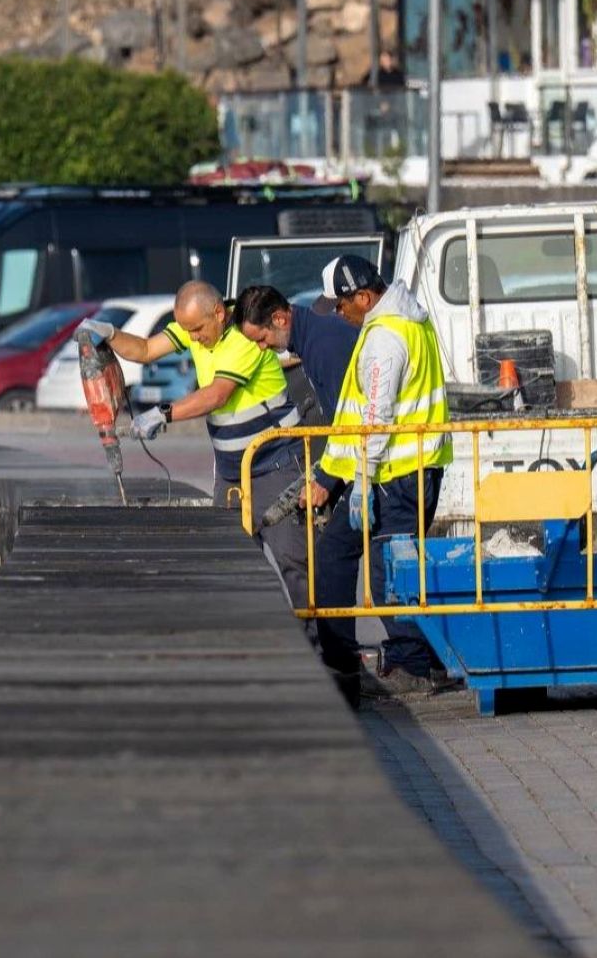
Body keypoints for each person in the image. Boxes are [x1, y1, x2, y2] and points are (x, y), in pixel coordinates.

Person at [304, 255, 455, 695]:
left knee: (384, 574)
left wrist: (363, 482)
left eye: (340, 305)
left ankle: (405, 665)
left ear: (364, 297)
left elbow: (376, 415)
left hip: (395, 477)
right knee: (375, 568)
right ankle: (408, 661)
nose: (338, 313)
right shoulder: (412, 322)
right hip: (412, 472)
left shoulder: (385, 338)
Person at [236, 283, 367, 685]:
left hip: (374, 466)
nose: (262, 349)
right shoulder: (312, 340)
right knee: (340, 559)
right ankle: (348, 659)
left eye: (261, 339)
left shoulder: (324, 345)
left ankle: (345, 664)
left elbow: (347, 420)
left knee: (334, 560)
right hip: (359, 463)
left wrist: (326, 479)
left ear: (279, 318)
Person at [75, 280, 301, 507]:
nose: (192, 337)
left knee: (284, 539)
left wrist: (162, 414)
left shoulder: (246, 335)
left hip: (275, 462)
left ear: (219, 313)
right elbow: (145, 350)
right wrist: (110, 333)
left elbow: (216, 395)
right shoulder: (197, 327)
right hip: (232, 468)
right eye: (187, 330)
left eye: (197, 329)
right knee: (231, 539)